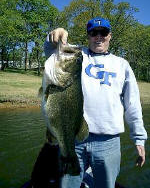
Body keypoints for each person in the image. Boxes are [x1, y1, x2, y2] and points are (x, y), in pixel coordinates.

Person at [43, 17, 147, 188]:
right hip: (74, 139)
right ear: (89, 36)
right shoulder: (75, 55)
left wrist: (139, 138)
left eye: (103, 33)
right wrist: (55, 34)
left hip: (108, 142)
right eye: (93, 33)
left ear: (110, 35)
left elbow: (132, 105)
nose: (99, 37)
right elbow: (50, 50)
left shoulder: (122, 65)